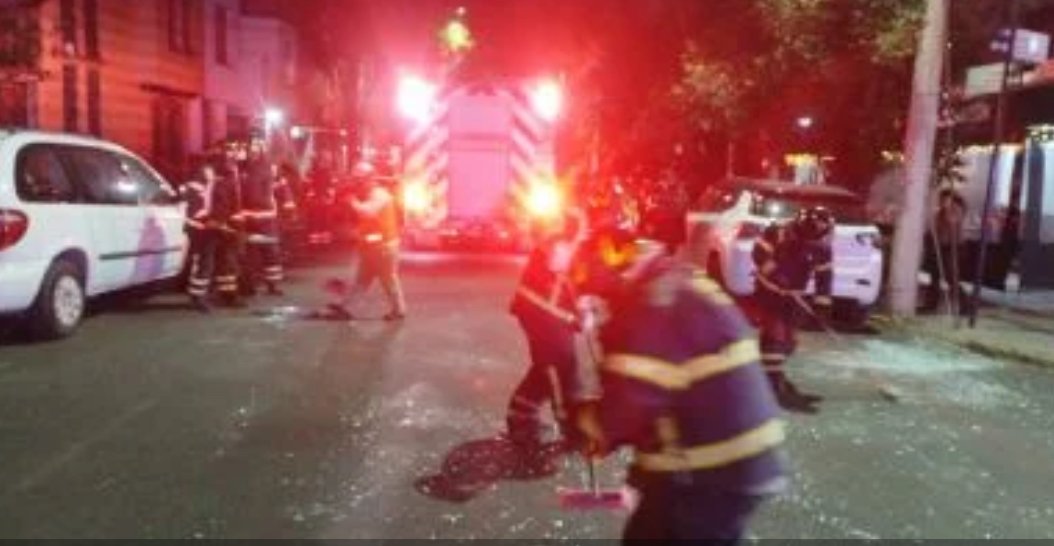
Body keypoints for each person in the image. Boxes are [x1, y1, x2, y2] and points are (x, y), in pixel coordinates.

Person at [571, 226, 788, 542]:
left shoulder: (652, 305)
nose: (600, 304)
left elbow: (631, 399)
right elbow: (666, 388)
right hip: (732, 461)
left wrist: (589, 424)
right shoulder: (676, 283)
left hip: (710, 473)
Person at [505, 209, 589, 459]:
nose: (585, 235)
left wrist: (578, 311)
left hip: (544, 315)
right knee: (558, 367)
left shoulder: (564, 246)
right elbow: (558, 281)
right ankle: (570, 427)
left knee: (548, 367)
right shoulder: (559, 247)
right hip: (540, 316)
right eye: (583, 230)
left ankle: (521, 418)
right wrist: (574, 316)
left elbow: (568, 286)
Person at [750, 206, 834, 413]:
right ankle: (770, 382)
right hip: (770, 291)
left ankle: (769, 373)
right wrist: (776, 274)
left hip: (794, 295)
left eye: (821, 229)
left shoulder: (822, 248)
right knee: (775, 336)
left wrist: (822, 307)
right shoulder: (778, 232)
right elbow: (758, 253)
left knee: (789, 341)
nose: (816, 233)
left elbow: (824, 278)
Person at [328, 161, 406, 321]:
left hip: (384, 247)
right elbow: (366, 222)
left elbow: (368, 213)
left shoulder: (380, 195)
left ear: (369, 179)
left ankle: (399, 310)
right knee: (361, 281)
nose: (357, 185)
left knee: (388, 280)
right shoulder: (368, 195)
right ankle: (347, 308)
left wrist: (352, 201)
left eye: (359, 181)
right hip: (371, 247)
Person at [185, 157, 244, 309]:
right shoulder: (195, 186)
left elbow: (228, 206)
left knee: (227, 262)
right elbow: (195, 211)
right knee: (205, 263)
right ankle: (197, 296)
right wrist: (209, 223)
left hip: (221, 229)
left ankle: (228, 295)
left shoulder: (222, 183)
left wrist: (230, 225)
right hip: (204, 231)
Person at [239, 143, 284, 296]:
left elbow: (279, 188)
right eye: (251, 151)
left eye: (256, 151)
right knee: (251, 256)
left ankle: (273, 284)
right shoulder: (243, 169)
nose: (253, 154)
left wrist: (285, 204)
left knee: (271, 254)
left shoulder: (268, 168)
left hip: (267, 218)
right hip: (250, 218)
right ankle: (250, 285)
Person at [922, 188, 967, 313]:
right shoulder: (939, 213)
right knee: (934, 277)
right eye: (941, 199)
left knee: (951, 278)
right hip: (940, 247)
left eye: (944, 199)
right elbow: (934, 229)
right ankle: (930, 305)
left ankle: (965, 305)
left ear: (951, 200)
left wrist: (947, 211)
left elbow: (953, 223)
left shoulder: (956, 211)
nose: (942, 202)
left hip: (953, 248)